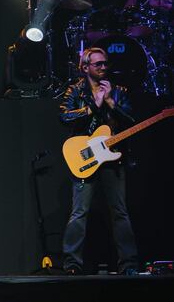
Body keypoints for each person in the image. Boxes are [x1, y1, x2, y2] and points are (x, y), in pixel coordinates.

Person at [58, 47, 139, 276]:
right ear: (85, 67)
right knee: (79, 211)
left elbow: (132, 120)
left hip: (113, 158)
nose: (103, 67)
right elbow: (64, 116)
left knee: (120, 212)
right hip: (85, 157)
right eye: (98, 64)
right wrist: (94, 104)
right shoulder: (76, 90)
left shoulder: (119, 91)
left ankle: (129, 264)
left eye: (105, 64)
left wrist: (112, 102)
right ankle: (72, 264)